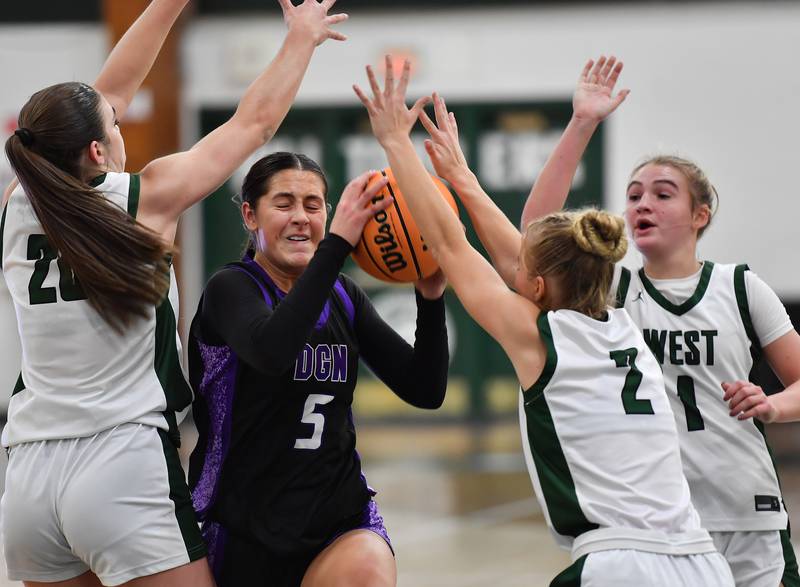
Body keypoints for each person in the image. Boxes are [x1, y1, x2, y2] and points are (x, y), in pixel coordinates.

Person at [0, 1, 347, 585]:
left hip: (28, 476)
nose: (121, 122)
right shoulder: (146, 199)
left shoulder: (16, 203)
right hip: (120, 461)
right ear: (95, 151)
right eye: (114, 125)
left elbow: (106, 94)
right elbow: (255, 125)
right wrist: (302, 41)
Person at [354, 55, 734, 587]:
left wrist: (395, 142)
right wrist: (460, 177)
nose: (514, 271)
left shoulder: (545, 340)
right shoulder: (621, 321)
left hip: (624, 565)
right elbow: (519, 261)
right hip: (703, 563)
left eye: (523, 272)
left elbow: (447, 243)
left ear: (535, 289)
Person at [509, 57, 800, 587]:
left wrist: (773, 404)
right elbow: (536, 239)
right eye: (635, 195)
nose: (643, 203)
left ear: (699, 215)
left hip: (748, 514)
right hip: (667, 527)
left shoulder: (740, 287)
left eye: (663, 194)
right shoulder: (614, 294)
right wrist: (582, 125)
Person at [186, 151, 449, 587]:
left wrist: (431, 296)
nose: (301, 218)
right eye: (284, 203)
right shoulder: (231, 289)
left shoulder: (343, 296)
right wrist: (337, 246)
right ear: (250, 215)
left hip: (336, 517)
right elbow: (273, 351)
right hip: (242, 523)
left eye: (313, 205)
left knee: (365, 571)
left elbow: (426, 389)